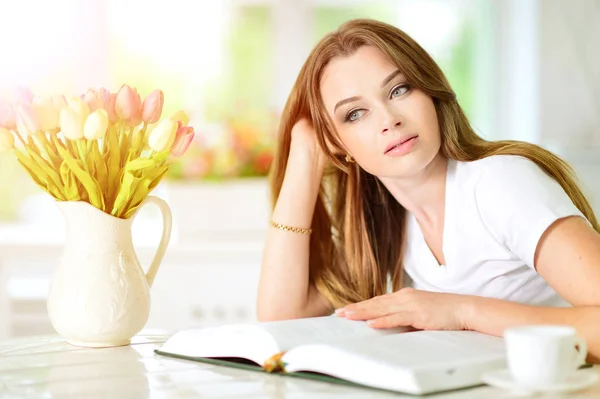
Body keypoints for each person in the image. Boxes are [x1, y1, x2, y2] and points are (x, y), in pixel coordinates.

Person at [256, 18, 600, 362]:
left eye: (399, 90)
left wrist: (463, 312)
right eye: (356, 113)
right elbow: (281, 319)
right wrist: (303, 151)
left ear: (430, 91)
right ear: (336, 143)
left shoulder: (500, 184)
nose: (389, 119)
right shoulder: (385, 221)